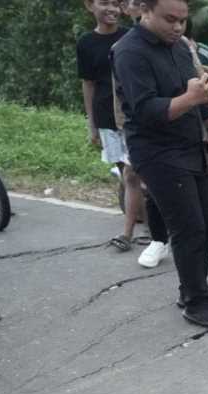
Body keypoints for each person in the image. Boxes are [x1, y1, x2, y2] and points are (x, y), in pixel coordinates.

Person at [112, 0, 208, 327]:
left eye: (183, 21)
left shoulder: (181, 48)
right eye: (170, 19)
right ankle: (195, 303)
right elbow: (146, 111)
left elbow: (201, 102)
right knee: (188, 228)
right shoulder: (129, 52)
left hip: (189, 146)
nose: (177, 27)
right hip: (157, 152)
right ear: (146, 10)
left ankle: (198, 291)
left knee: (206, 225)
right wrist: (192, 98)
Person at [77, 0, 146, 252]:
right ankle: (149, 226)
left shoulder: (131, 37)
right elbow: (88, 84)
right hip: (106, 116)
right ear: (89, 6)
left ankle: (131, 233)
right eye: (105, 3)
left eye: (116, 4)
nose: (112, 9)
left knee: (133, 173)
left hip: (132, 115)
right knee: (128, 174)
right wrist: (91, 124)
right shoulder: (86, 43)